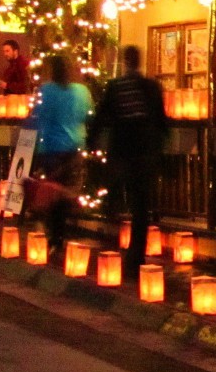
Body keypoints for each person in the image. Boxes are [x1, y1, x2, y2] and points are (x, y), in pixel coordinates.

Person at [89, 45, 168, 281]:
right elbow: (161, 121)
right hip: (143, 153)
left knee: (116, 198)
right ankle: (136, 257)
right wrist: (159, 149)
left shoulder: (116, 87)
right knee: (140, 206)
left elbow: (102, 116)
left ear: (125, 62)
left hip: (123, 152)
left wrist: (92, 141)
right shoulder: (151, 87)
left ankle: (117, 247)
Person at [31, 54, 93, 255]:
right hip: (74, 146)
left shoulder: (46, 90)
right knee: (69, 188)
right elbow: (87, 113)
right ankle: (62, 229)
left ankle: (55, 236)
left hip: (50, 147)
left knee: (53, 191)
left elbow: (37, 115)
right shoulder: (82, 91)